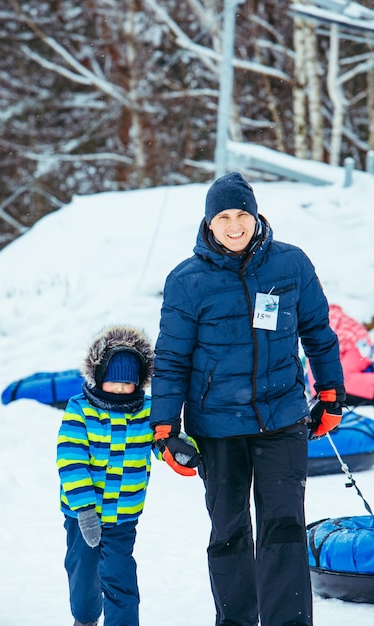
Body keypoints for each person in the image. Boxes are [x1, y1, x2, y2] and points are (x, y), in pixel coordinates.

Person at [150, 172, 345, 626]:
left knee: (284, 529)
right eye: (224, 217)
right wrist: (165, 429)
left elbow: (318, 331)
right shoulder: (187, 280)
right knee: (229, 531)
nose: (235, 225)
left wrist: (331, 393)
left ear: (256, 217)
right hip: (216, 427)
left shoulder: (290, 265)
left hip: (282, 420)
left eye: (243, 214)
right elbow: (172, 357)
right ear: (208, 223)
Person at [57, 324, 155, 626]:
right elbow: (70, 462)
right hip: (81, 515)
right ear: (99, 378)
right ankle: (85, 619)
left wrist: (181, 451)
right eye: (114, 382)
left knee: (120, 579)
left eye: (128, 383)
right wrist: (84, 509)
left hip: (123, 516)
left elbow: (164, 440)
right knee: (84, 577)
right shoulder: (80, 410)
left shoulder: (146, 411)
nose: (121, 389)